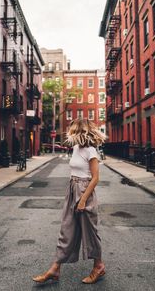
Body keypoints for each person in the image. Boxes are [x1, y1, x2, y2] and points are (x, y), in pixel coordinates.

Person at [32, 119, 106, 284]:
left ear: (80, 131)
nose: (70, 133)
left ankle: (98, 265)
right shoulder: (75, 148)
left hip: (85, 192)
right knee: (67, 229)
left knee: (90, 232)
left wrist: (83, 200)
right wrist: (73, 194)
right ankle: (55, 269)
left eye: (72, 130)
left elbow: (95, 178)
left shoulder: (91, 151)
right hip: (73, 188)